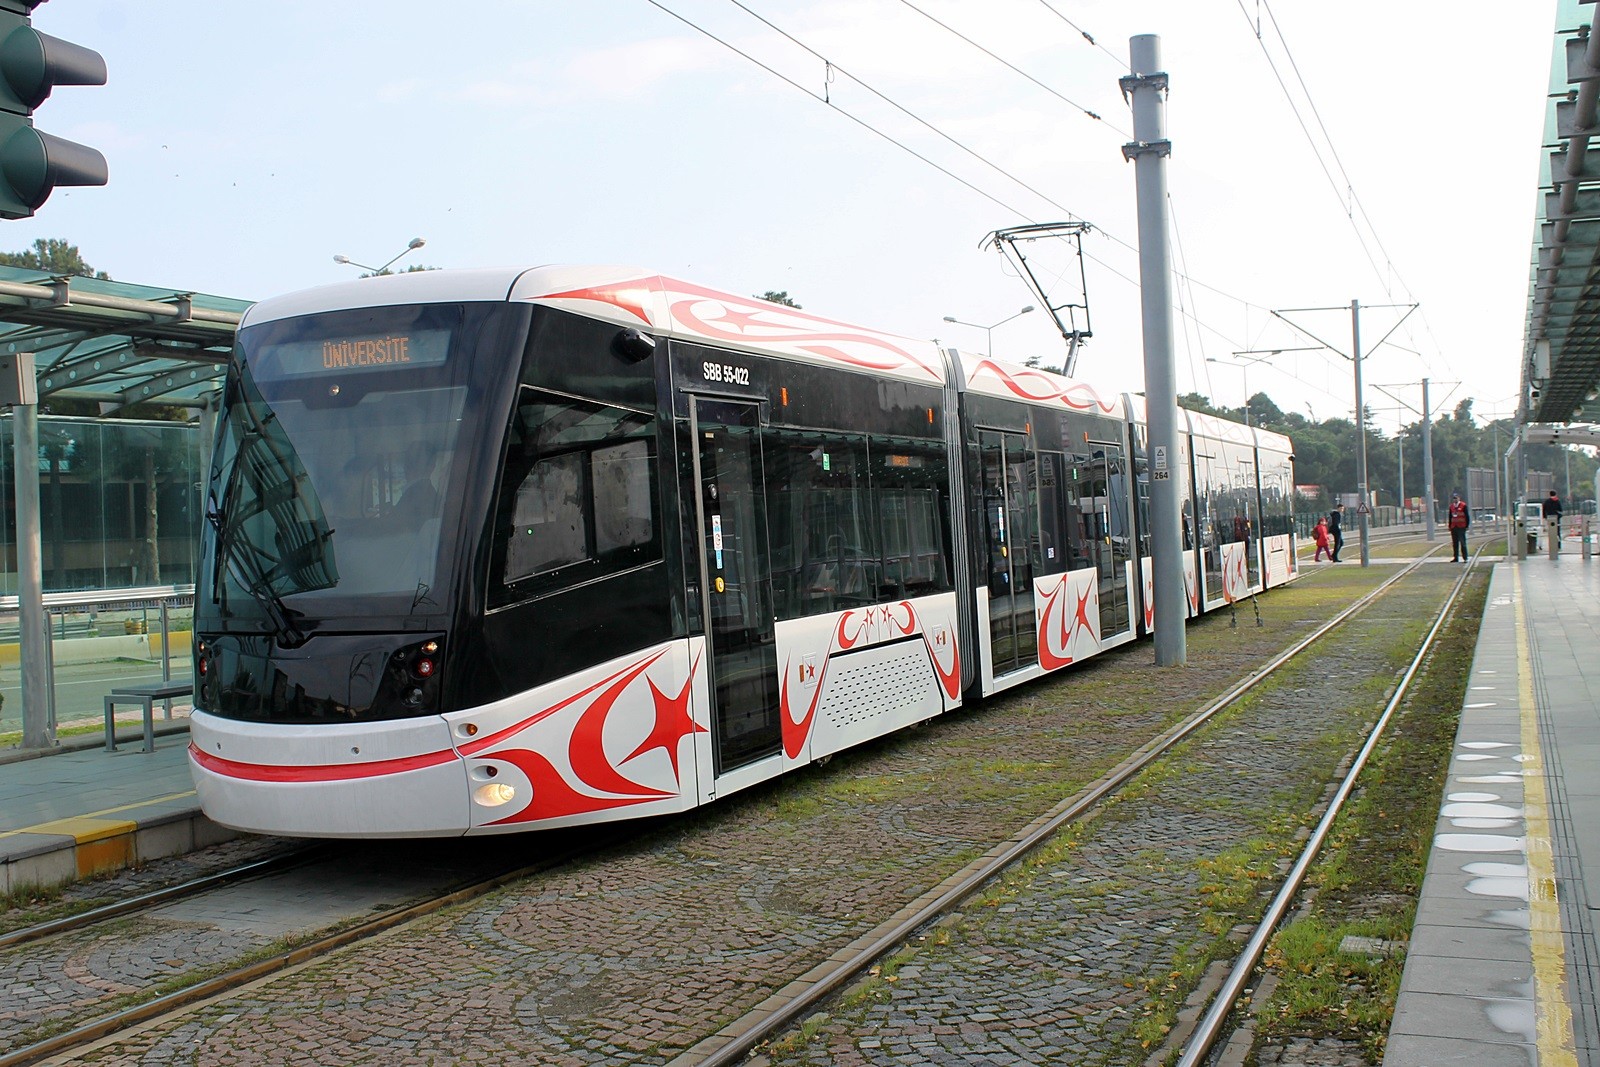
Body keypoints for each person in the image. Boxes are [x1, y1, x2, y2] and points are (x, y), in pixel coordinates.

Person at [1447, 491, 1470, 562]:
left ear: (1459, 498)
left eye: (1456, 498)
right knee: (1455, 543)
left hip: (1461, 527)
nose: (1455, 499)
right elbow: (1450, 517)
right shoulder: (1451, 507)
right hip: (1454, 527)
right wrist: (1450, 526)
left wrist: (1467, 525)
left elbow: (1467, 516)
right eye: (1454, 498)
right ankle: (1456, 557)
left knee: (1463, 543)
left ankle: (1465, 557)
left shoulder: (1463, 506)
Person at [1543, 490, 1563, 554]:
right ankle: (1558, 545)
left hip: (1549, 517)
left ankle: (1551, 545)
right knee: (1557, 532)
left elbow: (1544, 509)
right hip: (1556, 518)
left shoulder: (1547, 501)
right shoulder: (1557, 501)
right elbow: (1560, 509)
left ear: (1550, 494)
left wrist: (1545, 517)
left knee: (1551, 532)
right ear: (1555, 494)